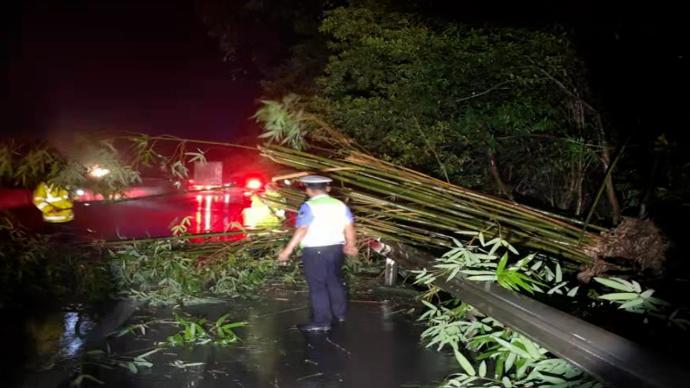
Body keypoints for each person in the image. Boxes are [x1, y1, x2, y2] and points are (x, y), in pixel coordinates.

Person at [278, 175, 357, 332]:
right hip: (335, 249)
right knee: (334, 281)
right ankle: (339, 314)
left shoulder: (309, 206)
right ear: (327, 188)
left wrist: (288, 250)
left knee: (318, 286)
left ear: (308, 190)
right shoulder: (340, 205)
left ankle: (321, 322)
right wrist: (351, 244)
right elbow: (349, 227)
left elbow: (302, 229)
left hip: (315, 250)